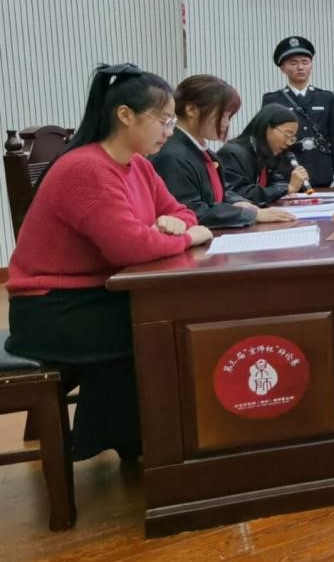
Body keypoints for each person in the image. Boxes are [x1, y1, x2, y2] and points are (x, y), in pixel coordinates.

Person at [5, 63, 213, 460]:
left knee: (170, 316)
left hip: (94, 296)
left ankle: (144, 441)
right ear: (125, 115)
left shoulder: (138, 164)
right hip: (52, 310)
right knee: (163, 326)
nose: (170, 131)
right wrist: (188, 236)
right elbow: (129, 248)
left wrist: (177, 223)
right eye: (164, 121)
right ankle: (144, 447)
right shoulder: (86, 168)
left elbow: (181, 210)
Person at [152, 75, 296, 228]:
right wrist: (252, 215)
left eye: (229, 116)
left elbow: (218, 193)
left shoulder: (202, 152)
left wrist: (237, 202)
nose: (226, 123)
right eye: (223, 115)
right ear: (191, 110)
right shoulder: (172, 156)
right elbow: (191, 210)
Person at [262, 36, 334, 189]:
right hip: (287, 171)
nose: (300, 67)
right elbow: (267, 140)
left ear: (311, 65)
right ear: (283, 68)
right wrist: (270, 171)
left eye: (305, 62)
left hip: (321, 170)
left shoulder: (325, 97)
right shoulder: (272, 100)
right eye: (293, 63)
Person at [217, 104, 312, 205]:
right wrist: (286, 188)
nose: (289, 142)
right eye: (287, 134)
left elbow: (274, 182)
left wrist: (284, 190)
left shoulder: (267, 152)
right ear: (267, 127)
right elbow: (237, 194)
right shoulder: (232, 153)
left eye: (292, 138)